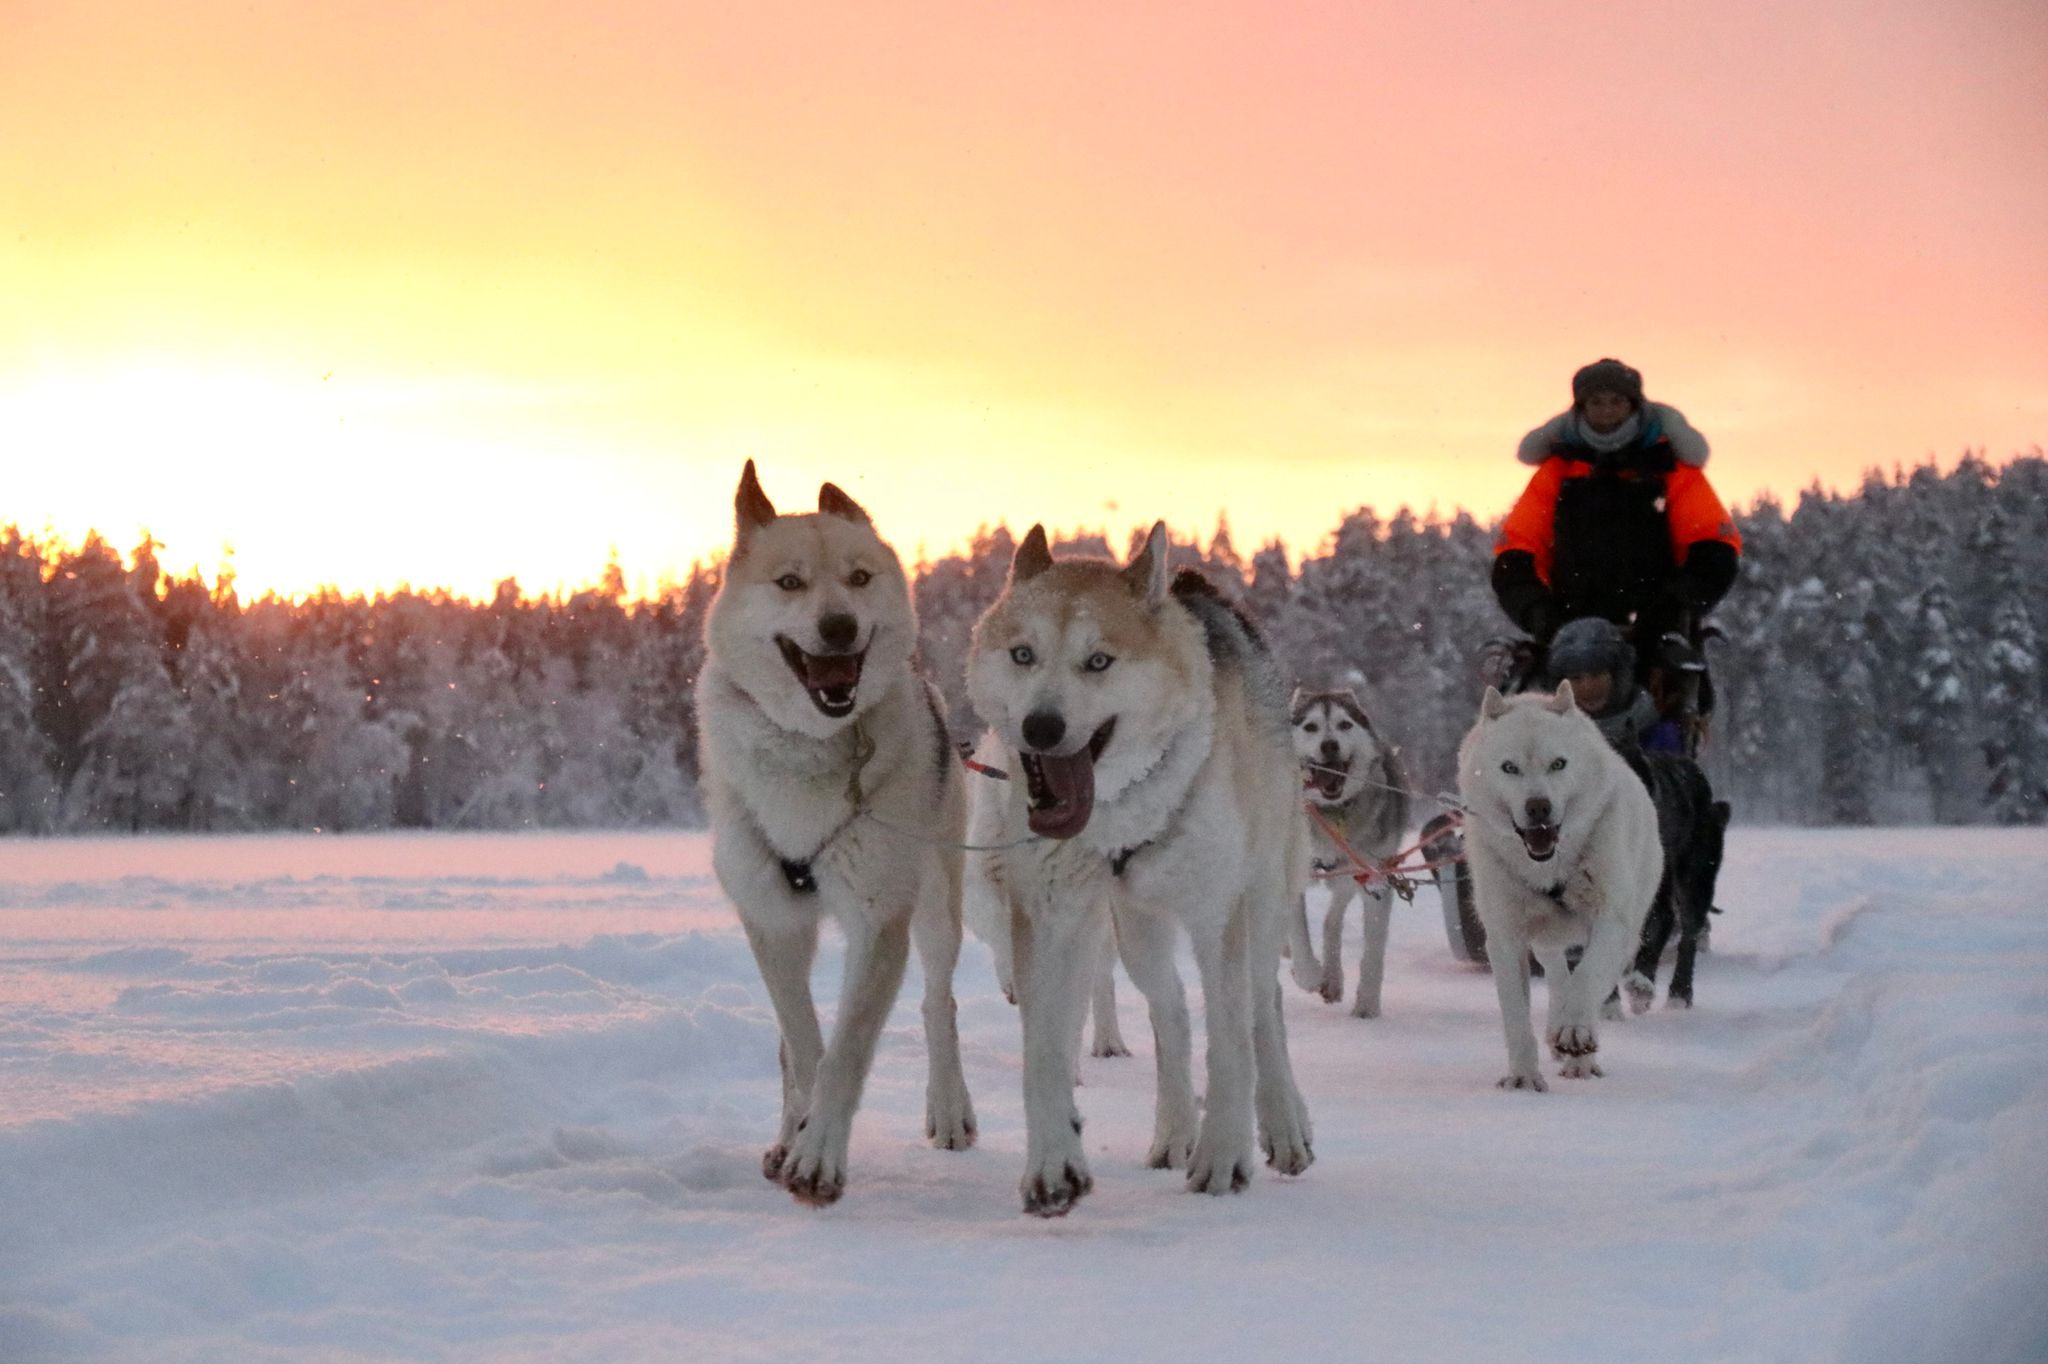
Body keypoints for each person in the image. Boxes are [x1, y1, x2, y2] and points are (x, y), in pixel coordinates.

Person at [1491, 358, 1742, 748]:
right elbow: (1517, 553)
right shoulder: (1556, 472)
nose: (1606, 412)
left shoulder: (1673, 469)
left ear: (1633, 405)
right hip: (1564, 636)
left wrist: (1672, 607)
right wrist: (1538, 614)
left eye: (1615, 402)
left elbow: (1714, 550)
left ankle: (1673, 795)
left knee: (1664, 740)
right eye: (1596, 403)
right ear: (1580, 409)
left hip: (1652, 637)